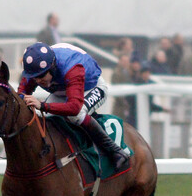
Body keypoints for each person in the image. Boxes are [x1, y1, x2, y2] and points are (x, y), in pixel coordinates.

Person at [18, 42, 129, 171]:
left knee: (77, 115)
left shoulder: (72, 68)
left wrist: (42, 105)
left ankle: (115, 151)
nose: (37, 81)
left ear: (52, 67)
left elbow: (74, 108)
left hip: (91, 87)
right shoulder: (36, 68)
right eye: (33, 77)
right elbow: (21, 93)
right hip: (62, 90)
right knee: (45, 118)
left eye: (41, 76)